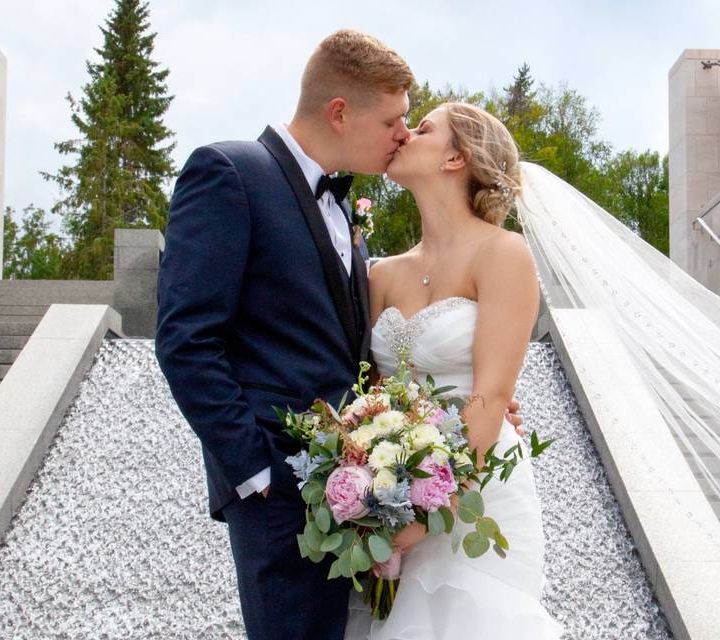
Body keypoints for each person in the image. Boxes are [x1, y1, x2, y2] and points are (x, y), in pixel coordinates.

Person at [155, 31, 524, 640]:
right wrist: (257, 475)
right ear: (339, 112)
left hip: (365, 497)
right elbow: (186, 339)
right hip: (279, 492)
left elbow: (357, 357)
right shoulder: (229, 172)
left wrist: (461, 404)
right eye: (394, 120)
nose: (403, 134)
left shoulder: (349, 218)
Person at [344, 102, 564, 638]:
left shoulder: (504, 255)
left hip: (481, 488)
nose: (404, 134)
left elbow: (490, 397)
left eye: (423, 129)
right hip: (392, 488)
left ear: (456, 158)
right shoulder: (381, 275)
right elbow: (368, 395)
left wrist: (426, 515)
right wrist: (374, 494)